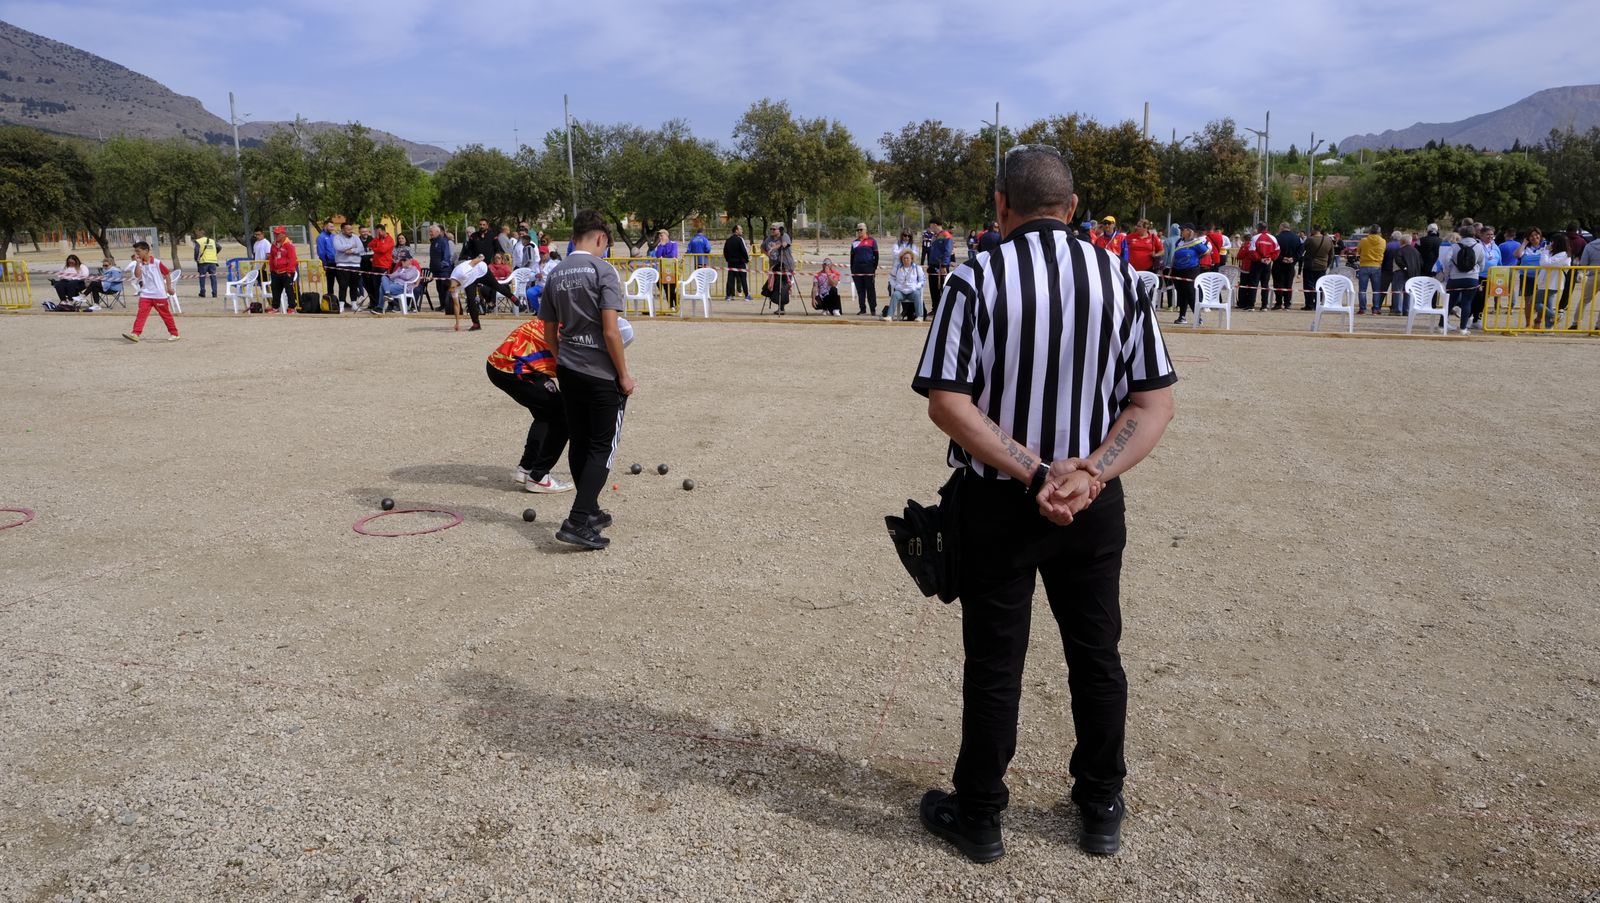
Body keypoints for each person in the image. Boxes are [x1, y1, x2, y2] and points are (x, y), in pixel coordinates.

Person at [912, 144, 1176, 864]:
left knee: (995, 661)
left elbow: (948, 401)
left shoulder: (975, 278)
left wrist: (1034, 474)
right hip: (1092, 503)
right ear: (1073, 207)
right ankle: (1101, 804)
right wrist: (1090, 474)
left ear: (1001, 205)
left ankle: (981, 814)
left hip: (999, 500)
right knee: (1096, 654)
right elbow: (1153, 403)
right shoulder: (1123, 278)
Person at [540, 209, 635, 550]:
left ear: (573, 237)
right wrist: (623, 374)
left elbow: (548, 333)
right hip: (599, 373)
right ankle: (578, 520)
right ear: (601, 238)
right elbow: (611, 331)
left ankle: (590, 509)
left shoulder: (555, 273)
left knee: (579, 441)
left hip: (569, 368)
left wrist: (562, 359)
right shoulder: (602, 270)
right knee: (601, 447)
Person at [487, 305, 574, 496]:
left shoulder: (563, 317)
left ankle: (526, 468)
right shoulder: (572, 330)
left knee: (546, 414)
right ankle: (539, 477)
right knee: (563, 417)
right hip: (514, 369)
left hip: (505, 365)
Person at [121, 240, 180, 342]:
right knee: (141, 314)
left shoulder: (157, 262)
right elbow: (137, 275)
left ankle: (174, 333)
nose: (137, 254)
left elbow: (167, 273)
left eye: (138, 251)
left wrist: (169, 288)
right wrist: (138, 263)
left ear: (146, 251)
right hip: (145, 294)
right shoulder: (140, 263)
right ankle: (135, 333)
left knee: (165, 315)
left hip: (159, 294)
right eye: (136, 251)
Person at [1439, 229, 1484, 334]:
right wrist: (1477, 271)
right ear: (1474, 234)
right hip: (1472, 278)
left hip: (1455, 278)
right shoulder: (1479, 246)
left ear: (1461, 235)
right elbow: (1482, 263)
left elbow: (1446, 260)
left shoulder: (1454, 246)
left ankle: (1441, 325)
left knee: (1450, 302)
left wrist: (1448, 271)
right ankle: (1463, 328)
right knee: (1467, 302)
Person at [1168, 224, 1209, 324]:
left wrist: (1196, 258)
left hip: (1190, 271)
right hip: (1177, 270)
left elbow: (1207, 252)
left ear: (1189, 231)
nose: (1181, 231)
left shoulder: (1196, 242)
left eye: (1183, 229)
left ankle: (1198, 318)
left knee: (1191, 294)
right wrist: (1171, 268)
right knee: (1181, 294)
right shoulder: (1179, 241)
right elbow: (1175, 255)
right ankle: (1182, 317)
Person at [463, 219, 502, 315]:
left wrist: (496, 260)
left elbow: (498, 249)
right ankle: (478, 305)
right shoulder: (473, 236)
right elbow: (469, 250)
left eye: (484, 224)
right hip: (476, 265)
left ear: (487, 225)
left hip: (489, 265)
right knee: (476, 286)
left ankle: (491, 303)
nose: (482, 226)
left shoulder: (492, 236)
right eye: (480, 224)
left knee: (490, 285)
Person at [1534, 233, 1570, 329]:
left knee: (1535, 303)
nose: (1551, 243)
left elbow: (1545, 263)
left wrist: (1545, 251)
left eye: (1553, 241)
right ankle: (1548, 328)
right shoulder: (1554, 253)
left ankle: (1555, 316)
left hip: (1552, 283)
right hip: (1547, 282)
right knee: (1548, 305)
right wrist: (1547, 252)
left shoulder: (1564, 255)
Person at [448, 255, 489, 331]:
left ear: (452, 287)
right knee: (470, 299)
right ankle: (476, 323)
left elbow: (473, 262)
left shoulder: (462, 273)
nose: (452, 292)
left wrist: (481, 257)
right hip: (467, 278)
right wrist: (457, 323)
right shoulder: (453, 288)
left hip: (475, 268)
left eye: (451, 290)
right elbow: (456, 305)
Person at [1300, 225, 1335, 310]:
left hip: (1310, 266)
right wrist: (1327, 265)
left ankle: (1309, 304)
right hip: (1322, 266)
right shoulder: (1328, 240)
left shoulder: (1310, 240)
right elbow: (1331, 255)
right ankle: (1318, 304)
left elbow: (1301, 250)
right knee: (1320, 286)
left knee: (1308, 286)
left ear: (1313, 230)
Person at [885, 249, 926, 320]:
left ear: (911, 259)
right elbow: (891, 278)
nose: (905, 260)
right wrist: (895, 286)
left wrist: (916, 286)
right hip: (901, 291)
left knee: (917, 294)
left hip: (912, 291)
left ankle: (919, 316)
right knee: (895, 295)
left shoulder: (917, 268)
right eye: (904, 258)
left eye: (907, 258)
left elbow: (922, 280)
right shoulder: (897, 268)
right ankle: (889, 316)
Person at [331, 222, 364, 311]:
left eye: (351, 229)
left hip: (355, 265)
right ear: (343, 230)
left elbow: (361, 248)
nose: (351, 231)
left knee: (354, 286)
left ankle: (354, 304)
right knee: (343, 286)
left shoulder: (356, 237)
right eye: (348, 229)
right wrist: (352, 245)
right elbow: (339, 247)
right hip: (342, 264)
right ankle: (341, 305)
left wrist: (352, 251)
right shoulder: (337, 238)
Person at [761, 224, 792, 314]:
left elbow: (785, 244)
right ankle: (779, 306)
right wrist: (767, 253)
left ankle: (781, 308)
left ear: (779, 230)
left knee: (783, 288)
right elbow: (762, 248)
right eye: (771, 229)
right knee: (773, 287)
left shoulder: (784, 236)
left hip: (785, 266)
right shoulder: (769, 238)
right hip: (774, 267)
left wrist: (774, 248)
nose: (772, 230)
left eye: (774, 229)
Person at [850, 223, 880, 315]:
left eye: (861, 229)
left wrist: (874, 268)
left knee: (870, 289)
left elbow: (876, 255)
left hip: (868, 268)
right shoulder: (854, 242)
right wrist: (852, 269)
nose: (859, 231)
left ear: (865, 230)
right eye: (858, 230)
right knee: (860, 290)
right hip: (857, 269)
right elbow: (852, 257)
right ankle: (862, 309)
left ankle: (873, 309)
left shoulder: (872, 241)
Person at [266, 226, 298, 312]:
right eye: (275, 233)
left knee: (289, 290)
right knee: (275, 290)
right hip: (275, 272)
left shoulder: (288, 245)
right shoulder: (273, 245)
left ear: (283, 234)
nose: (276, 235)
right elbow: (272, 258)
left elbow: (292, 259)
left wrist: (289, 271)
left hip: (286, 271)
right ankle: (275, 307)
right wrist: (272, 269)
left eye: (278, 234)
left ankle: (292, 307)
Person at [1355, 225, 1385, 314]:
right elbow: (1383, 251)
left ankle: (1362, 309)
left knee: (1362, 289)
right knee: (1376, 290)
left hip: (1364, 266)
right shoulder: (1383, 241)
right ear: (1379, 232)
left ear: (1370, 231)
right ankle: (1375, 308)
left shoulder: (1363, 240)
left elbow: (1358, 251)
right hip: (1377, 266)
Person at [1270, 222, 1301, 310]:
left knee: (1278, 284)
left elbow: (1273, 251)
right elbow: (1301, 250)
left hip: (1278, 264)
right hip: (1291, 265)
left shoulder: (1277, 238)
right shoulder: (1297, 238)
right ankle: (1287, 303)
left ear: (1282, 227)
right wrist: (1293, 258)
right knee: (1288, 284)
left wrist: (1282, 258)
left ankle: (1279, 303)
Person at [1391, 232, 1422, 317]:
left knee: (1398, 291)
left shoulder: (1400, 250)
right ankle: (1407, 310)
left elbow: (1398, 260)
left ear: (1402, 241)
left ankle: (1398, 310)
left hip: (1400, 272)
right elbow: (1420, 262)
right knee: (1408, 291)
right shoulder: (1416, 251)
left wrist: (1404, 267)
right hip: (1412, 273)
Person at [927, 221, 954, 314]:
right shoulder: (935, 236)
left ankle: (943, 310)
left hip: (940, 266)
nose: (930, 228)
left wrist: (944, 265)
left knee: (942, 288)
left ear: (935, 225)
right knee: (933, 288)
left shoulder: (946, 235)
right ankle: (935, 308)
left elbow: (947, 251)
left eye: (931, 226)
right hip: (932, 265)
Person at [426, 224, 453, 313]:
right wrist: (432, 268)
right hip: (436, 270)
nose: (430, 233)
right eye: (430, 232)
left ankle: (447, 306)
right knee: (439, 289)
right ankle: (442, 305)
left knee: (445, 288)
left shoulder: (443, 241)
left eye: (431, 232)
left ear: (437, 232)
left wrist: (441, 265)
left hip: (444, 270)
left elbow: (447, 255)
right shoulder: (433, 242)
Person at [652, 229, 680, 312]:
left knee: (671, 288)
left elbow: (673, 255)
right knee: (665, 287)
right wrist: (661, 245)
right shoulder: (660, 245)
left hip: (673, 270)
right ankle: (671, 305)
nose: (660, 237)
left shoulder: (673, 244)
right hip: (663, 270)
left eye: (662, 235)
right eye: (659, 236)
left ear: (666, 235)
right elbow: (658, 255)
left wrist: (663, 257)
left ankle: (675, 303)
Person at [368, 224, 396, 306]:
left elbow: (383, 250)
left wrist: (374, 249)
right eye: (376, 232)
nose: (377, 234)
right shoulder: (377, 239)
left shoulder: (389, 239)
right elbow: (369, 245)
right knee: (376, 286)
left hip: (384, 266)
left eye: (379, 232)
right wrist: (377, 239)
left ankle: (392, 305)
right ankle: (378, 305)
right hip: (375, 265)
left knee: (385, 286)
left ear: (383, 231)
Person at [722, 225, 750, 300]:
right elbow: (744, 251)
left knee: (730, 279)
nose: (742, 231)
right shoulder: (740, 239)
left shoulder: (728, 240)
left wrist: (728, 259)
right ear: (736, 230)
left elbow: (725, 252)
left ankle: (728, 296)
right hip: (740, 263)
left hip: (731, 263)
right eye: (740, 229)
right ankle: (747, 295)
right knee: (743, 279)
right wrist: (747, 259)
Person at [192, 228, 220, 298]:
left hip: (203, 261)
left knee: (202, 277)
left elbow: (196, 251)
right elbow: (219, 247)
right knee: (213, 277)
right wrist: (214, 253)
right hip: (213, 261)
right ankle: (214, 293)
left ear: (199, 235)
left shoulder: (198, 241)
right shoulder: (212, 241)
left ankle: (202, 292)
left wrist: (196, 259)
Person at [316, 220, 338, 287]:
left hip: (338, 262)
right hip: (329, 263)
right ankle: (330, 294)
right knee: (330, 284)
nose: (332, 228)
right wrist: (325, 263)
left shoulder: (333, 236)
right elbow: (321, 252)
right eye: (331, 226)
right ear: (325, 226)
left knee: (342, 283)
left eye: (333, 226)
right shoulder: (321, 237)